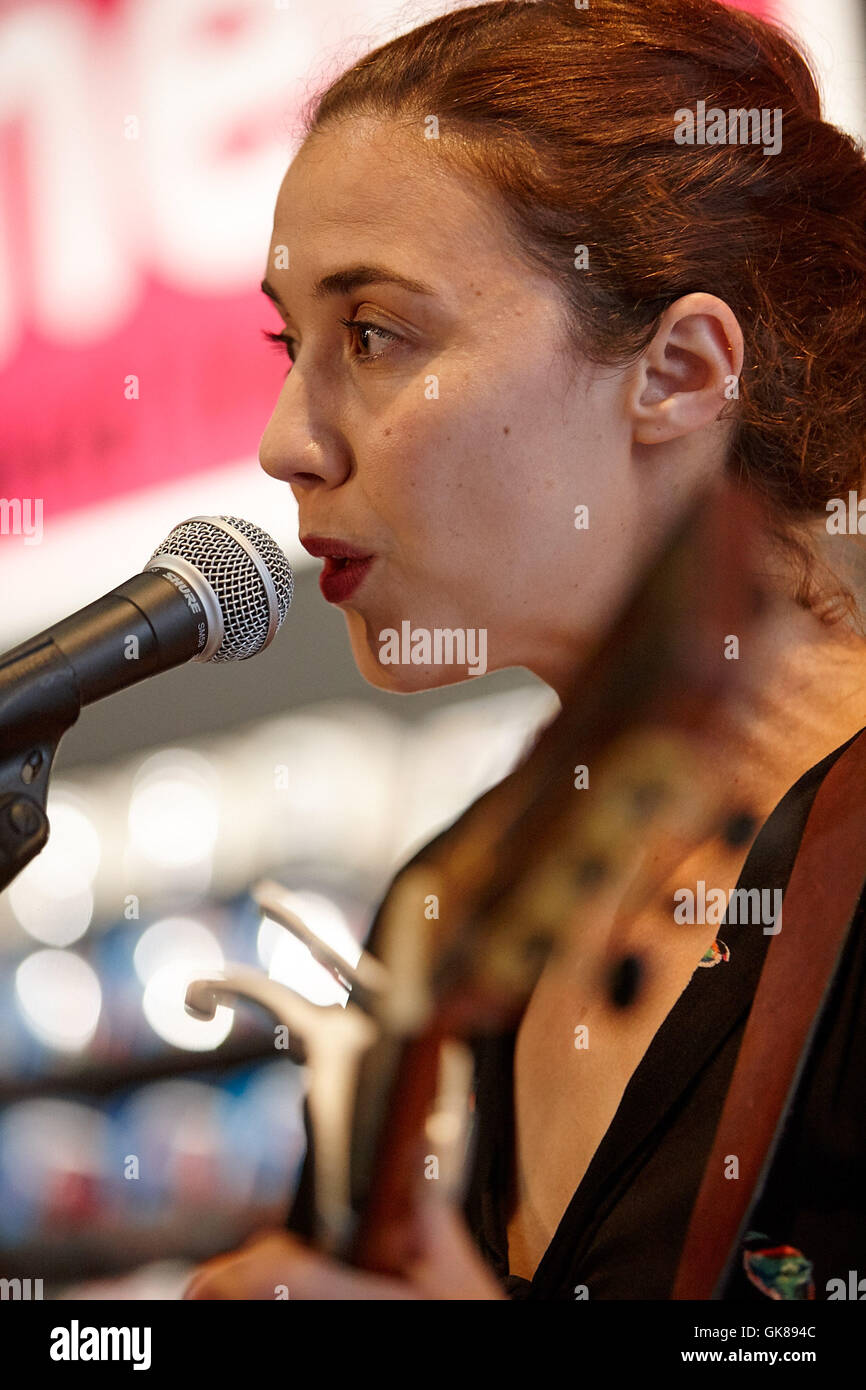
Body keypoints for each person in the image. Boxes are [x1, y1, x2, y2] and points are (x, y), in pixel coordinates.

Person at [185, 0, 866, 1299]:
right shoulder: (440, 914)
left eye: (373, 333)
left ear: (676, 372)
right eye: (291, 343)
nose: (285, 441)